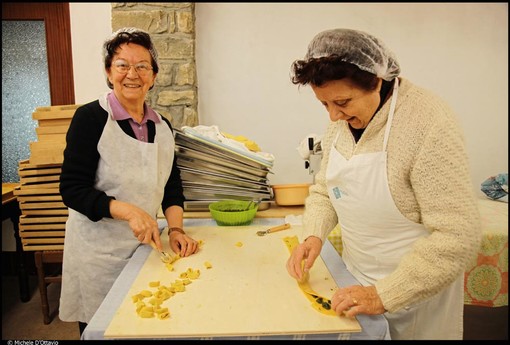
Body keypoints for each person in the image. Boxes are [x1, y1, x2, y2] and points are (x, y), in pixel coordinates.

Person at [285, 28, 481, 340]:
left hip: (417, 298)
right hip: (356, 282)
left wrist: (383, 295)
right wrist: (313, 236)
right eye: (324, 104)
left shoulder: (429, 123)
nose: (334, 116)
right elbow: (326, 189)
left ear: (376, 80)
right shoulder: (342, 123)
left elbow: (459, 237)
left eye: (342, 102)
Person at [59, 27, 199, 335]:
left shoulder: (163, 127)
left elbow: (171, 186)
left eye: (142, 66)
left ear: (153, 76)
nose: (131, 74)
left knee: (145, 323)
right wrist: (129, 211)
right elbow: (71, 189)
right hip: (99, 253)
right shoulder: (90, 118)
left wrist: (176, 229)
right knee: (104, 328)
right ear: (109, 72)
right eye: (122, 65)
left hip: (146, 248)